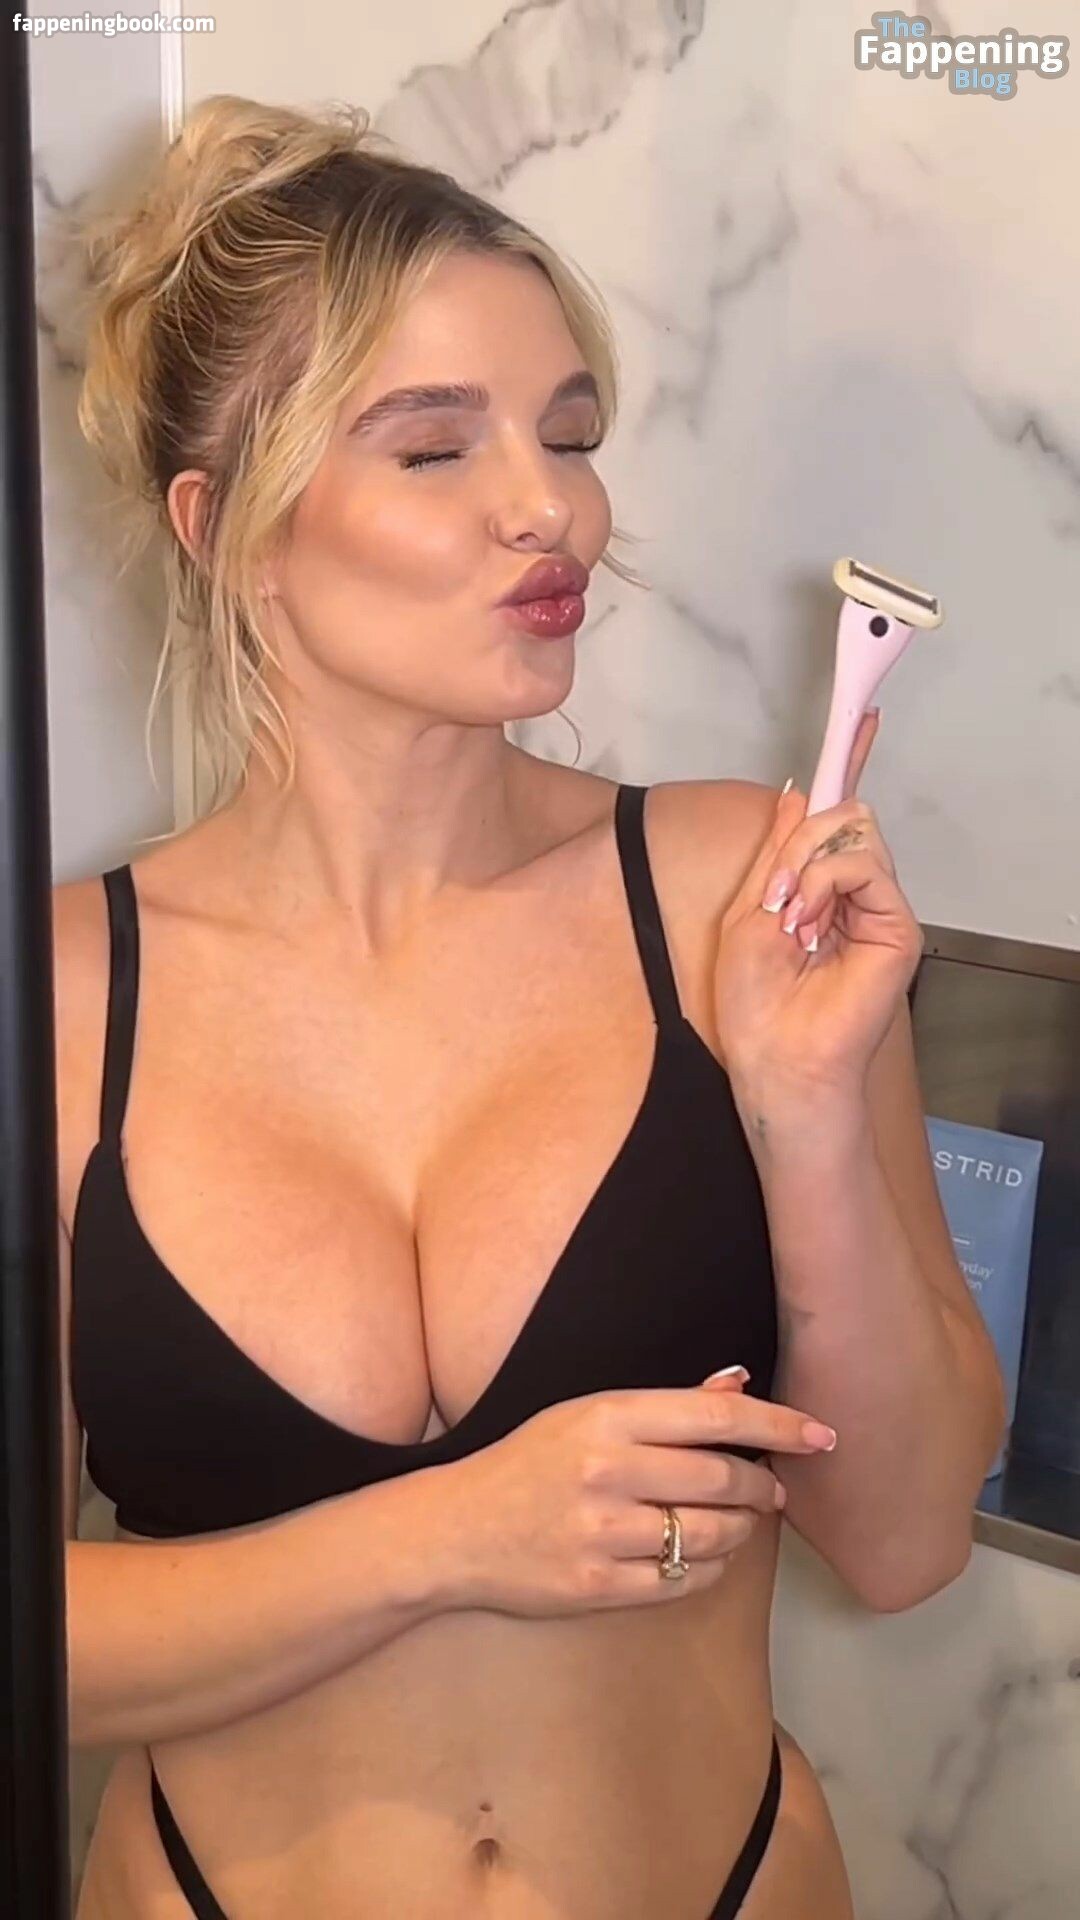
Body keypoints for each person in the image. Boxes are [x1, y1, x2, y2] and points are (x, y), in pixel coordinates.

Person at [54, 95, 1005, 1920]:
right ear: (225, 528)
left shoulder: (732, 889)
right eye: (436, 447)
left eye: (569, 433)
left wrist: (806, 1113)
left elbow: (903, 1544)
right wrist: (446, 1538)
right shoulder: (66, 1001)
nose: (551, 504)